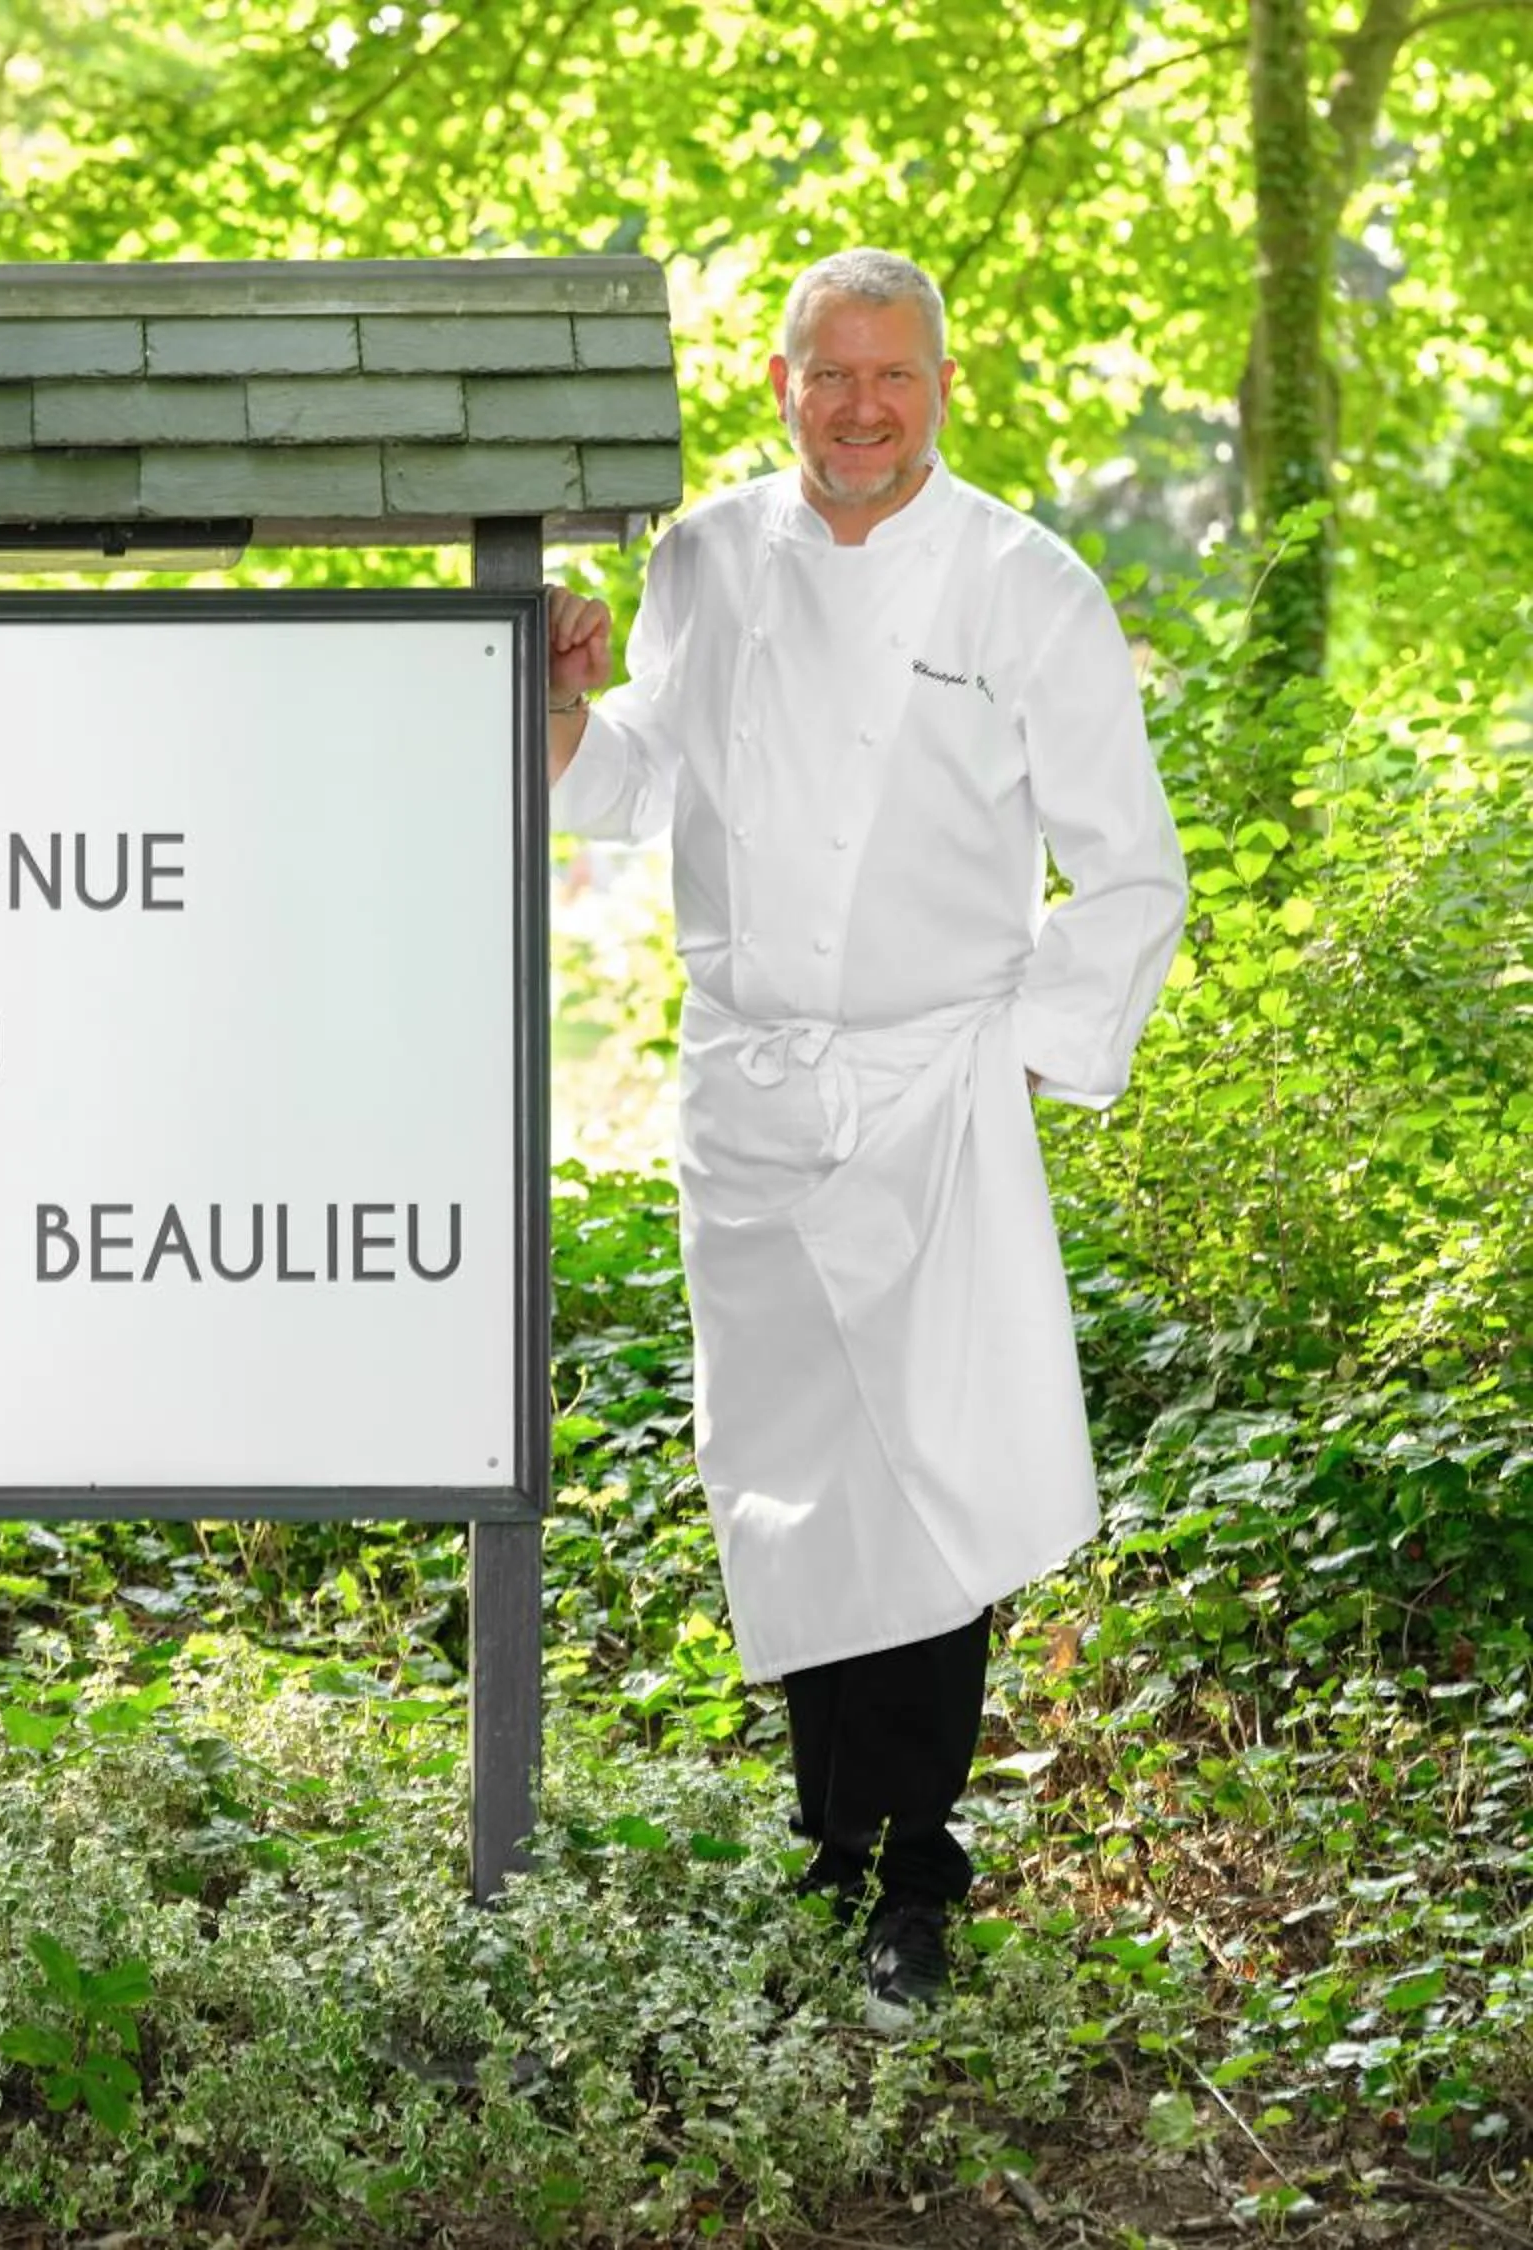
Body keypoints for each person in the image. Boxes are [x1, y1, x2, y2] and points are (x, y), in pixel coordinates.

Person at [540, 249, 1186, 2024]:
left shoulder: (1024, 584)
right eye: (832, 373)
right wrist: (562, 704)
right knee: (790, 1475)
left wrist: (1016, 1063)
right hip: (749, 1091)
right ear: (781, 383)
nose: (862, 407)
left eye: (895, 375)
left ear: (943, 388)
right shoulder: (702, 561)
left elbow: (1132, 871)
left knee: (927, 1480)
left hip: (932, 1090)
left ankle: (913, 1876)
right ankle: (826, 1842)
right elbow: (637, 783)